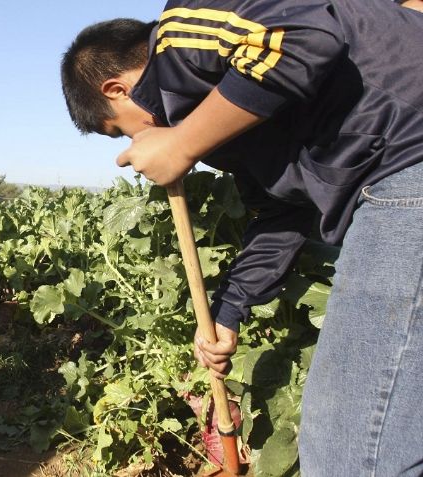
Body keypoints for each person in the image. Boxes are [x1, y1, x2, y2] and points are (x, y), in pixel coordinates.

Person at [61, 0, 423, 474]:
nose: (134, 148)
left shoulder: (182, 30)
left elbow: (301, 40)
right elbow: (282, 212)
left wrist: (183, 141)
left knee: (350, 453)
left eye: (120, 133)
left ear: (118, 89)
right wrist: (228, 311)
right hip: (396, 172)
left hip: (407, 155)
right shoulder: (230, 126)